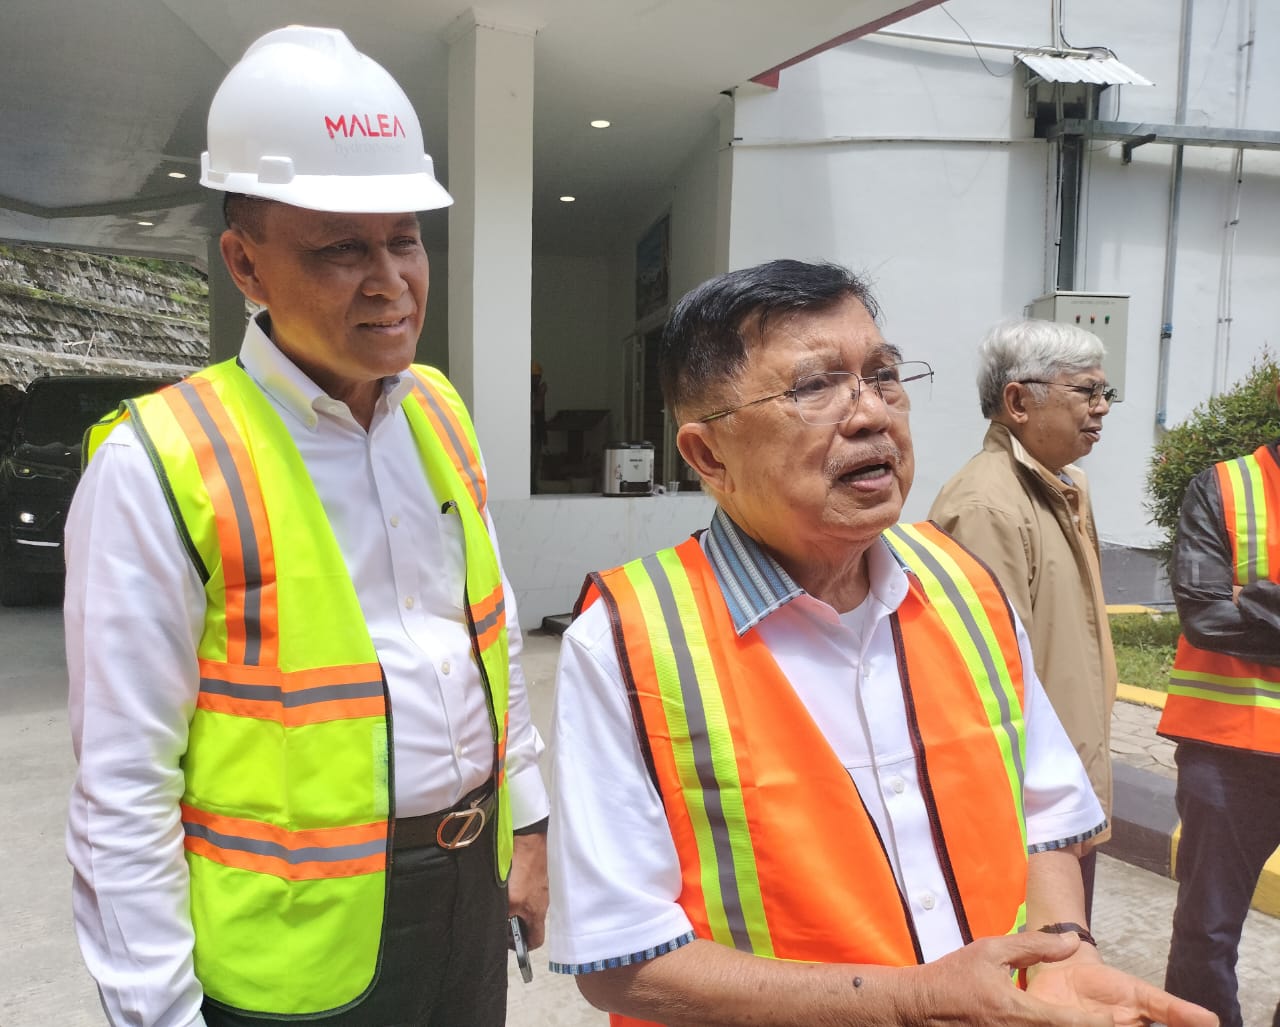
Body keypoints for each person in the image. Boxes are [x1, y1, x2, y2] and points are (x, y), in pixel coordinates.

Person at [545, 260, 1214, 1027]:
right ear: (707, 455)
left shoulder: (965, 585)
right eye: (813, 386)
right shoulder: (628, 641)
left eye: (884, 375)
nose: (871, 414)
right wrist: (910, 1003)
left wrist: (1064, 954)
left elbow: (1048, 815)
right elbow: (623, 962)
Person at [64, 26, 549, 1027]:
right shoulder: (161, 461)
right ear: (245, 264)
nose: (391, 280)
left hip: (467, 890)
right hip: (291, 957)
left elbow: (488, 633)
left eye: (404, 238)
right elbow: (122, 784)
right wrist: (154, 1014)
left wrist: (529, 821)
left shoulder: (437, 412)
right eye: (342, 248)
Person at [928, 318, 1118, 922]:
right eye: (1086, 391)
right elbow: (990, 683)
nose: (1102, 407)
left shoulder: (1064, 486)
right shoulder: (987, 505)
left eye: (1106, 392)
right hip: (1032, 810)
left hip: (1070, 788)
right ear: (1018, 402)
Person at [1159, 398, 1280, 1027]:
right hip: (1230, 752)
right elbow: (1205, 616)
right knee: (1206, 933)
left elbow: (1228, 607)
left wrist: (1252, 598)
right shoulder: (1224, 488)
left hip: (1231, 750)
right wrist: (1228, 602)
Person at [531, 359, 548, 492]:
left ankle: (534, 487)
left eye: (538, 377)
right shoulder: (528, 391)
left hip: (536, 429)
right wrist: (541, 394)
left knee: (536, 462)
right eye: (535, 377)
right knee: (531, 462)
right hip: (530, 430)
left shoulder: (536, 391)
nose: (537, 380)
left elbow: (541, 414)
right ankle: (531, 488)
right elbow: (536, 408)